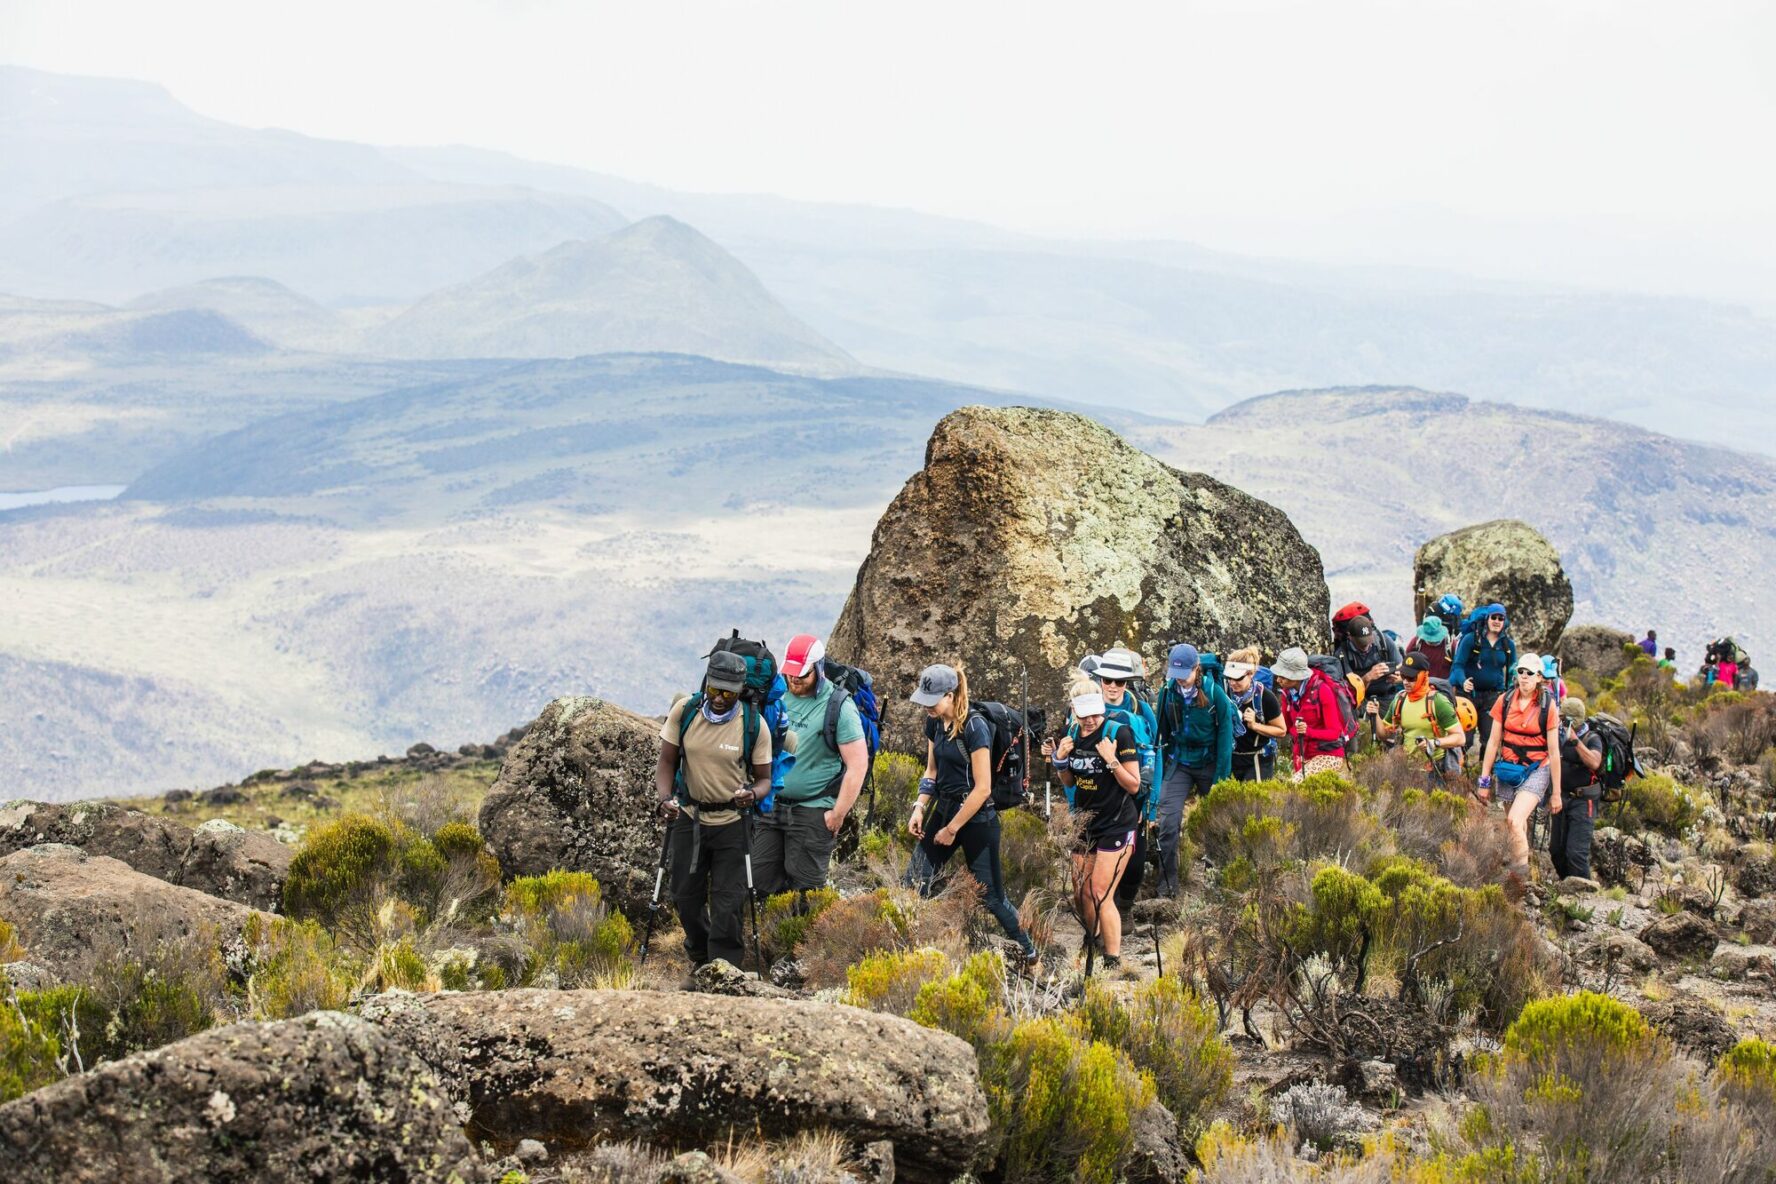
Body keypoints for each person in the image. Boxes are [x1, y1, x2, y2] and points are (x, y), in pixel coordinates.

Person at [905, 663, 1039, 966]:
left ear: (951, 695)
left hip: (977, 819)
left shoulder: (975, 727)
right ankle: (912, 950)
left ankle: (1029, 951)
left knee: (991, 896)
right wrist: (920, 806)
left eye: (932, 701)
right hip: (945, 808)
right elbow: (932, 770)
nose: (927, 707)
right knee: (914, 882)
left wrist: (952, 829)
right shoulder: (934, 723)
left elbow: (982, 788)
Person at [656, 650, 774, 970]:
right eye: (713, 689)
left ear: (739, 690)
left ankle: (724, 969)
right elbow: (667, 761)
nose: (719, 698)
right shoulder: (686, 711)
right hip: (689, 817)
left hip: (733, 824)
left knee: (727, 904)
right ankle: (700, 956)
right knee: (684, 897)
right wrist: (665, 797)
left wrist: (752, 794)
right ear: (706, 683)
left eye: (728, 692)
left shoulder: (753, 725)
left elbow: (765, 780)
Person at [754, 634, 868, 898]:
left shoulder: (839, 706)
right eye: (791, 674)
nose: (794, 680)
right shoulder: (777, 694)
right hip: (771, 806)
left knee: (805, 891)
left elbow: (858, 765)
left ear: (818, 669)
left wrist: (837, 814)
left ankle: (801, 938)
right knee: (759, 882)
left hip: (813, 811)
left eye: (802, 675)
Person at [1045, 686, 1142, 970]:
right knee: (1081, 892)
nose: (1090, 720)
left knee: (1101, 892)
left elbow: (1134, 784)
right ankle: (1093, 940)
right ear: (1074, 711)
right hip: (1085, 823)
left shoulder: (1119, 733)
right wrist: (1060, 760)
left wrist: (1111, 760)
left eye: (1095, 714)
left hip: (1116, 823)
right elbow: (1070, 782)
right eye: (1083, 715)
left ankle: (1113, 960)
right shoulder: (1072, 734)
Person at [1154, 643, 1235, 895]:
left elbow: (1225, 741)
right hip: (1179, 762)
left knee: (1216, 824)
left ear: (1196, 669)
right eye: (1175, 676)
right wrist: (1162, 775)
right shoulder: (1167, 693)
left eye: (1185, 675)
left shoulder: (1216, 695)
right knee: (1168, 822)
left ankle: (1216, 882)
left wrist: (1221, 781)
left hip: (1209, 763)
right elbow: (1162, 734)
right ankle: (1167, 884)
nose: (1180, 681)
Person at [1477, 652, 1563, 879]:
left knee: (1514, 820)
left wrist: (1556, 793)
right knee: (1515, 824)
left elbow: (1554, 752)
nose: (1524, 677)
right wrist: (1484, 781)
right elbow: (1493, 742)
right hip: (1508, 768)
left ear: (1539, 678)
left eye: (1530, 673)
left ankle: (1520, 878)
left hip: (1537, 769)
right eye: (1521, 672)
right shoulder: (1504, 701)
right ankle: (1521, 864)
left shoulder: (1548, 707)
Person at [1092, 648, 1159, 912]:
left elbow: (1156, 755)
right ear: (1100, 681)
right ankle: (1100, 912)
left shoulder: (1140, 709)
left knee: (1134, 859)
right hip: (1097, 794)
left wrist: (1151, 803)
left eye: (1118, 681)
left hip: (1134, 794)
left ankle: (1125, 908)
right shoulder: (1087, 707)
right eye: (1106, 680)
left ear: (1126, 682)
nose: (1112, 686)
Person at [1376, 651, 1466, 785]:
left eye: (1411, 678)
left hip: (1436, 772)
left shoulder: (1438, 702)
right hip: (1406, 770)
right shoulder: (1399, 699)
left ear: (1424, 676)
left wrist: (1434, 743)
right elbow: (1383, 735)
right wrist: (1375, 714)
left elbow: (1460, 738)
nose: (1406, 682)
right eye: (1403, 676)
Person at [1271, 647, 1349, 776]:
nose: (1278, 680)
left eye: (1283, 676)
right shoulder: (1287, 693)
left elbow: (1334, 733)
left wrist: (1308, 732)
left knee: (1295, 785)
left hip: (1328, 755)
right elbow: (1286, 727)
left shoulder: (1323, 690)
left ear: (1296, 676)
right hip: (1302, 755)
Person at [1550, 697, 1604, 881]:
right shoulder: (1557, 734)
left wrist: (1575, 740)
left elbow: (1595, 762)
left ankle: (1585, 895)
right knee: (1556, 850)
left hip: (1583, 801)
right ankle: (1567, 886)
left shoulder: (1593, 738)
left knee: (1576, 853)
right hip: (1561, 797)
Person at [1451, 605, 1516, 752]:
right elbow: (1458, 665)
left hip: (1492, 697)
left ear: (1505, 621)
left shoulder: (1508, 645)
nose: (1497, 621)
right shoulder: (1471, 640)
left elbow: (1513, 668)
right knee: (1464, 739)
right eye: (1494, 617)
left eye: (1501, 618)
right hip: (1467, 695)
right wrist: (1463, 681)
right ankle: (1456, 772)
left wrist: (1511, 689)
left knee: (1490, 739)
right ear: (1487, 619)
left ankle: (1485, 773)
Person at [1226, 648, 1285, 782]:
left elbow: (1281, 731)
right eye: (1229, 677)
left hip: (1258, 759)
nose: (1232, 682)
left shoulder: (1265, 697)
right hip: (1231, 758)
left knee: (1253, 802)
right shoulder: (1225, 693)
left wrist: (1255, 725)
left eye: (1238, 678)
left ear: (1251, 673)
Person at [1336, 612, 1404, 719]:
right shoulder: (1342, 655)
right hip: (1363, 700)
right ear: (1350, 637)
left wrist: (1398, 678)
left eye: (1368, 641)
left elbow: (1402, 667)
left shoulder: (1383, 641)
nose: (1365, 646)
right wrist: (1368, 677)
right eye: (1361, 643)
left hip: (1388, 696)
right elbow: (1348, 692)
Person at [1404, 614, 1455, 681]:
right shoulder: (1416, 643)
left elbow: (1457, 667)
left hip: (1443, 684)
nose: (1431, 642)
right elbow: (1408, 663)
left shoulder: (1451, 645)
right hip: (1420, 683)